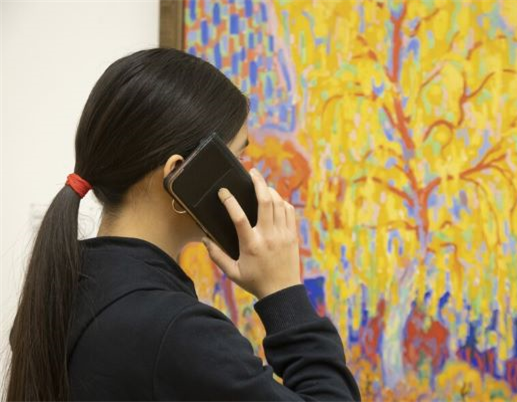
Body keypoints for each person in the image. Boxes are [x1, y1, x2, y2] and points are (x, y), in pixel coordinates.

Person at [6, 48, 361, 401]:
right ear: (179, 174)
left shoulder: (64, 292)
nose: (249, 177)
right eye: (237, 158)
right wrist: (283, 293)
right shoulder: (176, 331)